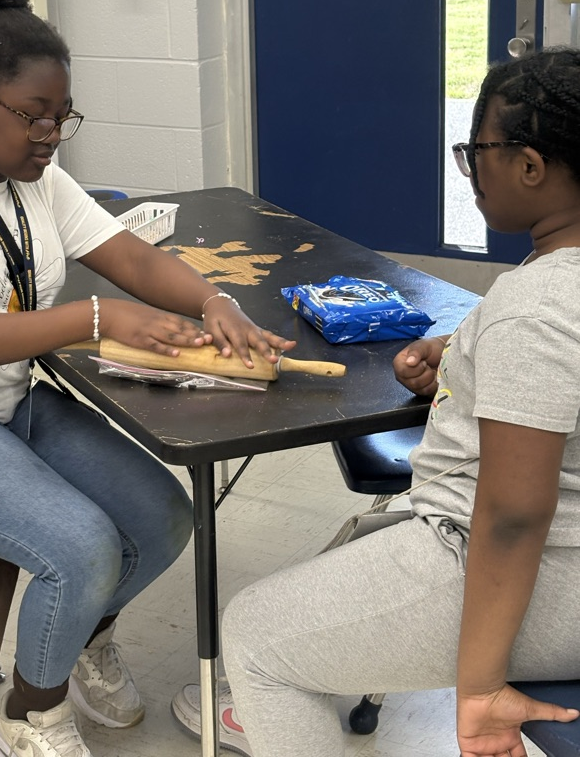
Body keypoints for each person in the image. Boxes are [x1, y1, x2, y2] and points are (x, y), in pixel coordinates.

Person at [0, 0, 295, 757]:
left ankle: (77, 643)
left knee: (161, 518)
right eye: (32, 117)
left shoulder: (37, 180)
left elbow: (133, 260)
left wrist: (214, 302)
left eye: (61, 118)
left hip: (1, 408)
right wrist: (94, 317)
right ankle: (32, 717)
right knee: (78, 545)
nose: (49, 135)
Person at [172, 46, 580, 757]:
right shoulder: (549, 294)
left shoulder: (537, 305)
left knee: (255, 639)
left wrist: (479, 689)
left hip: (543, 575)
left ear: (529, 166)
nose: (470, 169)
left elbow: (514, 515)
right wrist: (468, 349)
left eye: (473, 150)